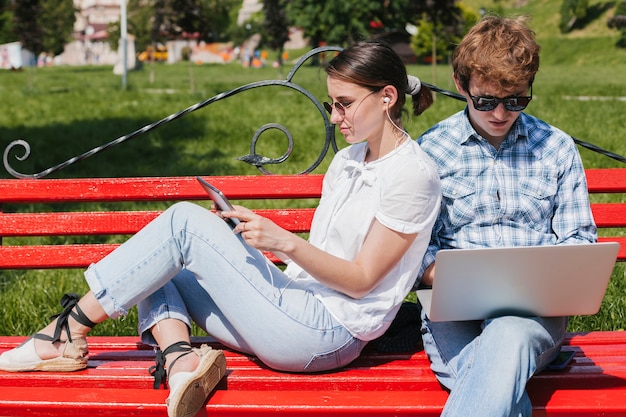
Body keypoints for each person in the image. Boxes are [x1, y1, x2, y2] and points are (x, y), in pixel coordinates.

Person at [0, 40, 441, 417]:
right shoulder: (348, 160)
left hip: (328, 333)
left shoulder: (411, 175)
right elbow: (323, 258)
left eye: (344, 104)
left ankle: (68, 330)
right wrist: (246, 246)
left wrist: (284, 243)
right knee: (156, 259)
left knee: (182, 223)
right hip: (295, 304)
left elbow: (363, 281)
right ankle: (181, 362)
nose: (333, 117)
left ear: (387, 97)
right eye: (331, 104)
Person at [415, 15, 597, 417]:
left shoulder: (556, 149)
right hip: (453, 316)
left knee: (508, 333)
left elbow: (578, 242)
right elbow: (414, 249)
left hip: (534, 318)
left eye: (516, 100)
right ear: (461, 86)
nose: (500, 113)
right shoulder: (429, 151)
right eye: (485, 101)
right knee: (500, 385)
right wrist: (441, 274)